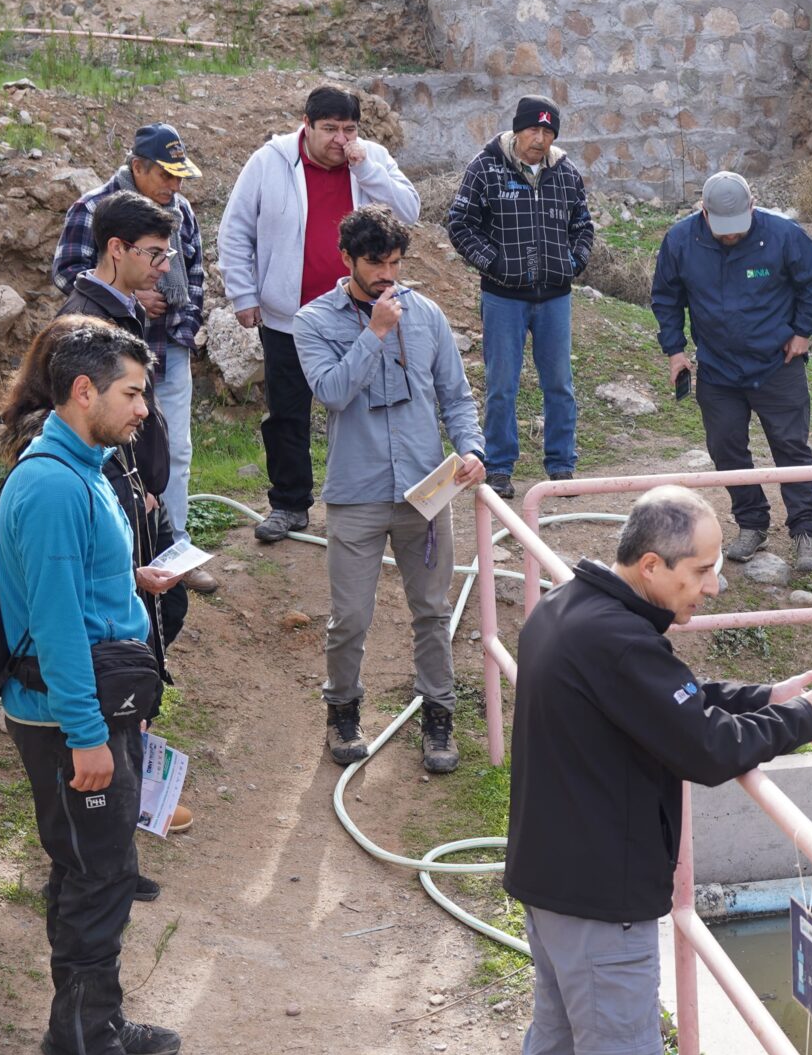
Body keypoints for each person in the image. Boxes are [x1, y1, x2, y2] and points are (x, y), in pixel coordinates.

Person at [501, 485, 812, 1055]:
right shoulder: (618, 642)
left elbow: (672, 702)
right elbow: (701, 747)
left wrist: (763, 699)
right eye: (700, 571)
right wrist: (798, 722)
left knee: (557, 1053)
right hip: (604, 905)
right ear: (648, 565)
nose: (713, 584)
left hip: (551, 883)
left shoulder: (570, 613)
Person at [0, 316, 188, 1055]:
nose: (144, 408)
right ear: (84, 391)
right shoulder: (49, 485)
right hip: (73, 717)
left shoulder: (86, 469)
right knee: (97, 876)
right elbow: (58, 625)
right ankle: (79, 1052)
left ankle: (94, 1019)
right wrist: (86, 738)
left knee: (95, 871)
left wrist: (130, 582)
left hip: (99, 708)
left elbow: (76, 592)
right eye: (133, 393)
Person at [292, 205, 484, 773]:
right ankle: (343, 710)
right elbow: (331, 391)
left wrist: (471, 448)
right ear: (346, 258)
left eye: (395, 263)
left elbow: (456, 395)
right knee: (350, 616)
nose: (387, 275)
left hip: (426, 490)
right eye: (375, 263)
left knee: (432, 608)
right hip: (356, 493)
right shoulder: (313, 321)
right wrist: (375, 332)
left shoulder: (426, 315)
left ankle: (438, 716)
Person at [218, 84, 422, 545]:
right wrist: (243, 295)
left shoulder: (369, 158)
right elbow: (235, 231)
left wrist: (365, 166)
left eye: (349, 129)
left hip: (359, 313)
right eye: (329, 129)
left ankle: (373, 501)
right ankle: (289, 504)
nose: (340, 140)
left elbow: (409, 210)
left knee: (369, 406)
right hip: (288, 316)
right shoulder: (269, 162)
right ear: (306, 125)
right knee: (287, 412)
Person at [57, 194, 199, 835]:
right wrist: (121, 489)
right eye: (152, 253)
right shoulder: (84, 323)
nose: (163, 267)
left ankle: (133, 783)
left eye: (166, 253)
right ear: (115, 249)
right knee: (124, 642)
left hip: (138, 494)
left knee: (161, 614)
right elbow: (70, 421)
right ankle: (118, 799)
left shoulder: (124, 312)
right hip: (118, 499)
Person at [50, 122, 215, 591]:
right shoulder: (94, 208)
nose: (174, 186)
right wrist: (130, 298)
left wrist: (183, 327)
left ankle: (172, 547)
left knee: (170, 447)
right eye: (166, 175)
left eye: (180, 176)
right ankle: (125, 555)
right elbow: (69, 271)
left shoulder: (179, 212)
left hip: (166, 347)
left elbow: (197, 272)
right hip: (110, 348)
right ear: (137, 166)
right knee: (112, 447)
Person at [651, 171, 812, 574]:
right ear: (704, 212)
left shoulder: (783, 235)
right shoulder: (681, 241)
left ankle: (806, 531)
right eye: (722, 229)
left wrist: (803, 332)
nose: (730, 236)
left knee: (791, 447)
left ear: (753, 206)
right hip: (718, 369)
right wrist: (675, 351)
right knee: (726, 449)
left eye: (738, 228)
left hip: (777, 364)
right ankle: (752, 525)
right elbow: (666, 297)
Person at [443, 94, 594, 491]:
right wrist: (493, 262)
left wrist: (573, 263)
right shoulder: (486, 167)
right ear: (517, 129)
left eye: (548, 131)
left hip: (555, 297)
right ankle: (499, 467)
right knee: (501, 385)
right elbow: (459, 223)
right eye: (533, 129)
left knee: (559, 384)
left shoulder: (566, 172)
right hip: (503, 297)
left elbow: (583, 226)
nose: (540, 138)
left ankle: (561, 466)